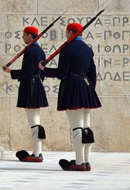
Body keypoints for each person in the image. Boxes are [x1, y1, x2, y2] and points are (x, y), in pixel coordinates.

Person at [40, 22, 102, 171]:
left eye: (66, 32)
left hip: (73, 86)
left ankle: (79, 162)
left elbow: (62, 72)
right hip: (86, 86)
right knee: (86, 126)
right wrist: (88, 87)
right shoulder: (87, 49)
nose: (65, 35)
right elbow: (92, 72)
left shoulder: (67, 48)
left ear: (70, 32)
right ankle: (86, 161)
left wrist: (44, 70)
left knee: (77, 127)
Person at [3, 26, 48, 163]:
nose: (22, 37)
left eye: (24, 35)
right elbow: (42, 72)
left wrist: (11, 72)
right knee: (36, 120)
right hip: (37, 84)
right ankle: (37, 151)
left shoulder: (30, 50)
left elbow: (27, 72)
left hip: (30, 86)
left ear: (30, 36)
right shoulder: (40, 51)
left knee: (33, 121)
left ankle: (37, 153)